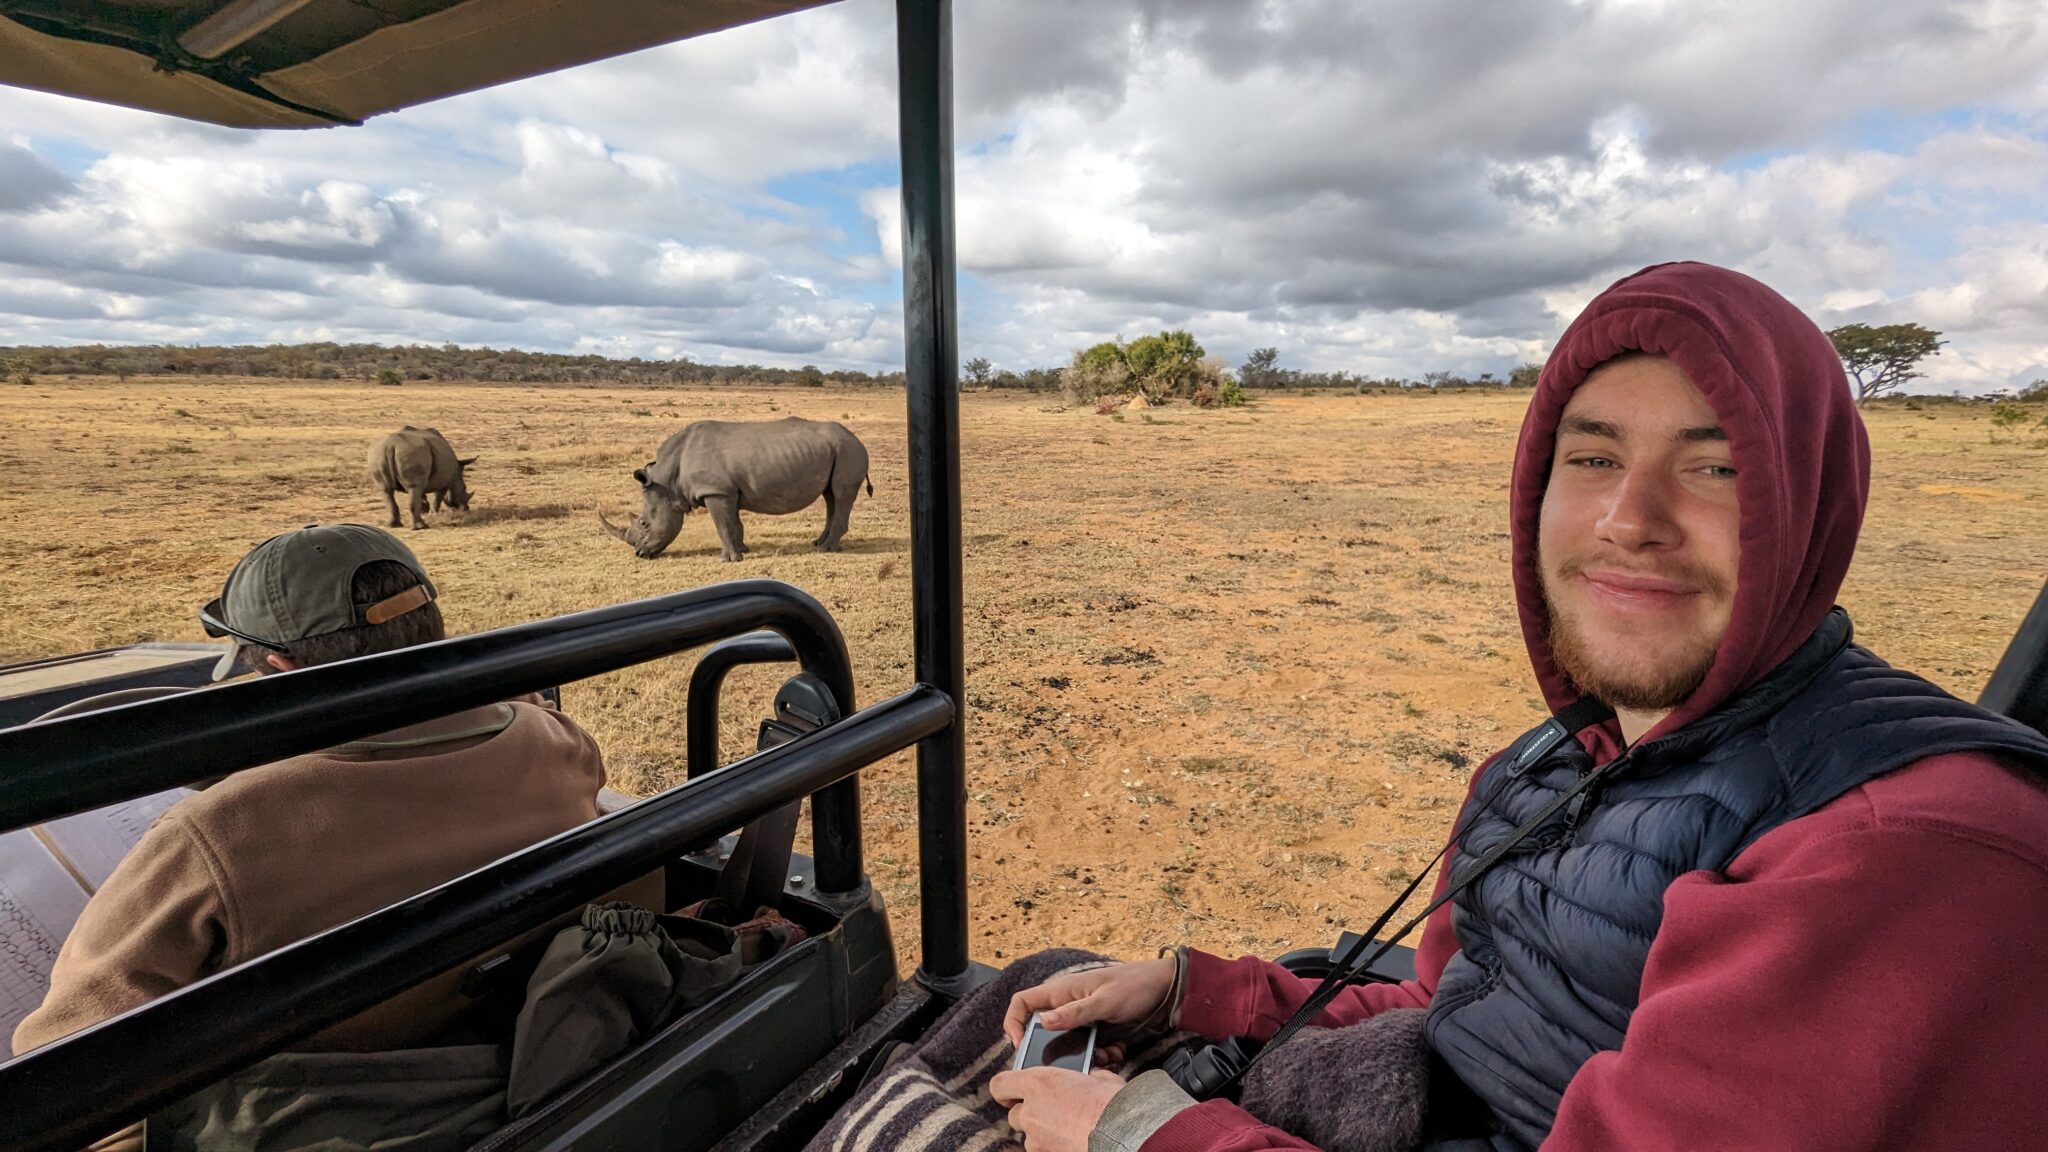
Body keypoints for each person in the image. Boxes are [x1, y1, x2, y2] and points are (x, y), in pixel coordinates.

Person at [986, 262, 2048, 1152]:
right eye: (1590, 458)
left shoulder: (1903, 855)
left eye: (1716, 468)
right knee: (1042, 994)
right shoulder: (1556, 762)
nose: (1629, 520)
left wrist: (1138, 1130)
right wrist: (1191, 992)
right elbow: (1462, 1006)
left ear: (1808, 507)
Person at [13, 523, 616, 1057]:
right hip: (548, 1045)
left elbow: (64, 1051)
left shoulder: (218, 831)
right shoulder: (557, 740)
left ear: (279, 672)